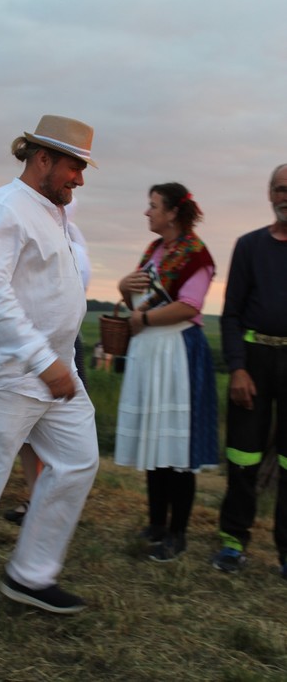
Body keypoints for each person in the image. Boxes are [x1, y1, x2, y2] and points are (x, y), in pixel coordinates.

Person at [0, 114, 99, 624]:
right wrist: (42, 360)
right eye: (74, 167)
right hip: (6, 375)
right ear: (43, 158)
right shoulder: (3, 207)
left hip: (57, 373)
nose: (80, 179)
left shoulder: (56, 213)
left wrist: (56, 363)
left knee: (78, 461)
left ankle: (30, 574)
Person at [115, 182, 218, 562]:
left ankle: (178, 533)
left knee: (176, 445)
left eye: (153, 205)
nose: (147, 212)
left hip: (177, 352)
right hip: (150, 350)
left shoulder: (196, 255)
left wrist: (142, 319)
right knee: (154, 437)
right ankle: (156, 523)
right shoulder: (154, 250)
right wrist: (123, 287)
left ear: (173, 212)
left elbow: (189, 306)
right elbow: (138, 299)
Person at [213, 164, 287, 576]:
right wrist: (238, 368)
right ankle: (232, 542)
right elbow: (231, 315)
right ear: (270, 194)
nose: (286, 196)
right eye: (280, 189)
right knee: (243, 456)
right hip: (253, 361)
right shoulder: (249, 246)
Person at [3, 198, 91, 525]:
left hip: (57, 345)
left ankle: (53, 500)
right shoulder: (27, 235)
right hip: (27, 342)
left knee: (58, 427)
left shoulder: (73, 249)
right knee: (26, 431)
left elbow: (66, 298)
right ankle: (35, 495)